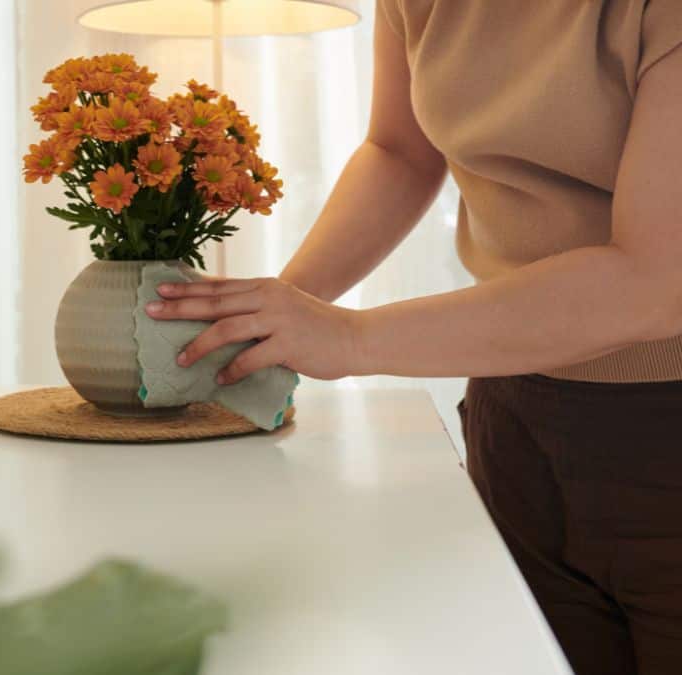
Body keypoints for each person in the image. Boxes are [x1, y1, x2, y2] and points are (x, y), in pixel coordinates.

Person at [144, 2, 682, 673]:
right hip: (514, 418)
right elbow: (399, 153)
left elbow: (653, 281)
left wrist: (350, 337)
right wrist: (271, 318)